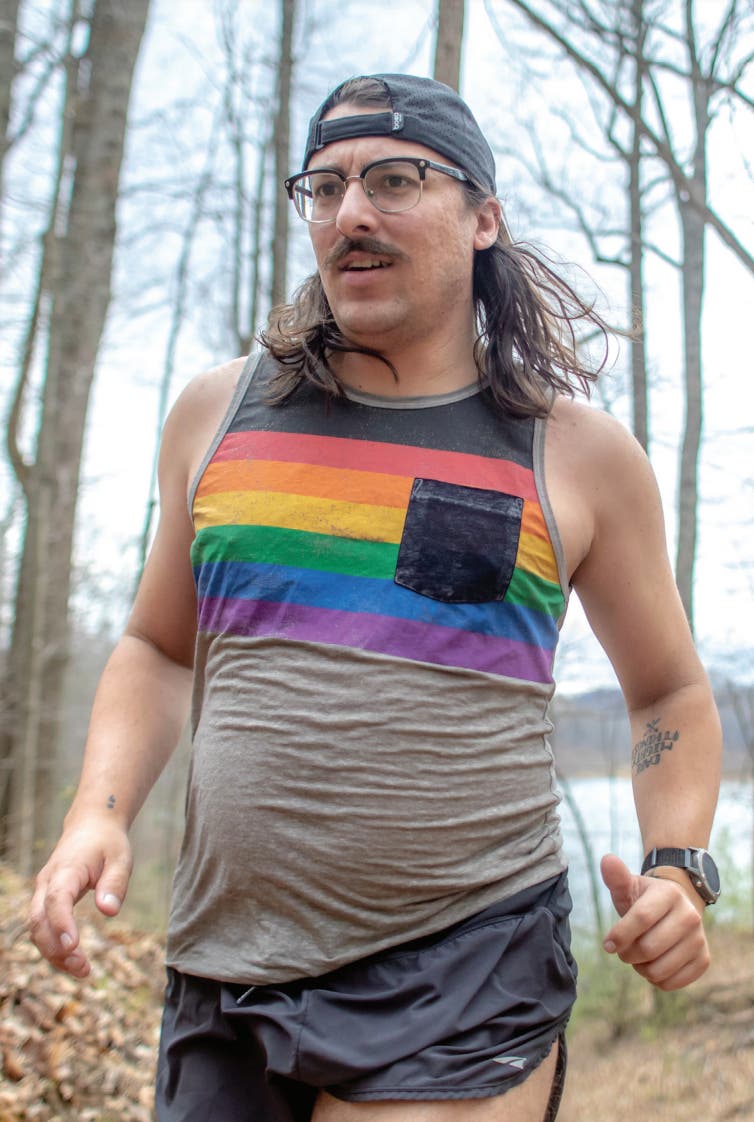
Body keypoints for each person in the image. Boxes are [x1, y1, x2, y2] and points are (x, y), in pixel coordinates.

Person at [29, 74, 722, 1122]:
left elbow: (668, 691)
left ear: (483, 218)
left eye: (396, 180)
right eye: (326, 186)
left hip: (466, 968)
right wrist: (98, 811)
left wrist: (677, 871)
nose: (351, 210)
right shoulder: (215, 415)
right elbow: (160, 648)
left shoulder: (575, 453)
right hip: (225, 965)